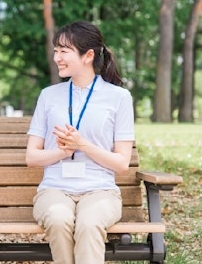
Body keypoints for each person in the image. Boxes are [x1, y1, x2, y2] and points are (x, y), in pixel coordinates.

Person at [26, 20, 135, 264]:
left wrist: (82, 145)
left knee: (89, 222)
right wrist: (63, 152)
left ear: (88, 55)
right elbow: (31, 157)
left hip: (100, 190)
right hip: (54, 189)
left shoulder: (119, 98)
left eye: (64, 51)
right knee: (57, 218)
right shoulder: (48, 96)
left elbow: (121, 164)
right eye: (56, 51)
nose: (57, 57)